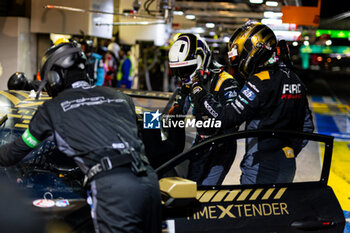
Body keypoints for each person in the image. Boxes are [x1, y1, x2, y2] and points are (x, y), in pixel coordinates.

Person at [0, 41, 161, 233]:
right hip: (150, 182)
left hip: (112, 186)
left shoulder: (51, 109)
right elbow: (150, 142)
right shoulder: (121, 98)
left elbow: (13, 153)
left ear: (53, 77)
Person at [188, 22, 314, 184]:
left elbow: (226, 119)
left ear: (253, 48)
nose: (237, 59)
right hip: (287, 164)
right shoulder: (295, 79)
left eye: (240, 53)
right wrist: (286, 152)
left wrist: (200, 94)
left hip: (260, 165)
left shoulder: (260, 81)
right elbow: (307, 126)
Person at [168, 33, 241, 185]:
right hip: (198, 145)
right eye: (179, 72)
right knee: (188, 189)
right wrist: (145, 121)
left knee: (204, 193)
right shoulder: (190, 81)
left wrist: (201, 94)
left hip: (220, 148)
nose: (182, 76)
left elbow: (229, 122)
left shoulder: (227, 83)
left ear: (201, 60)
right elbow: (174, 115)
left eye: (186, 69)